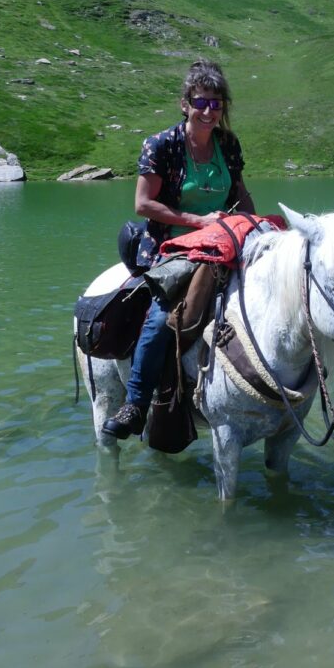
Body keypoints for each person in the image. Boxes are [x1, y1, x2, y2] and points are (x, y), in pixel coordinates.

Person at [102, 59, 255, 439]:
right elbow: (143, 204)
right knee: (162, 317)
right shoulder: (163, 145)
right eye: (201, 102)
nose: (208, 111)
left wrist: (253, 225)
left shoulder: (228, 145)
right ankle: (135, 404)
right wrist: (198, 221)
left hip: (221, 241)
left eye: (216, 104)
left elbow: (240, 194)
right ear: (185, 104)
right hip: (170, 245)